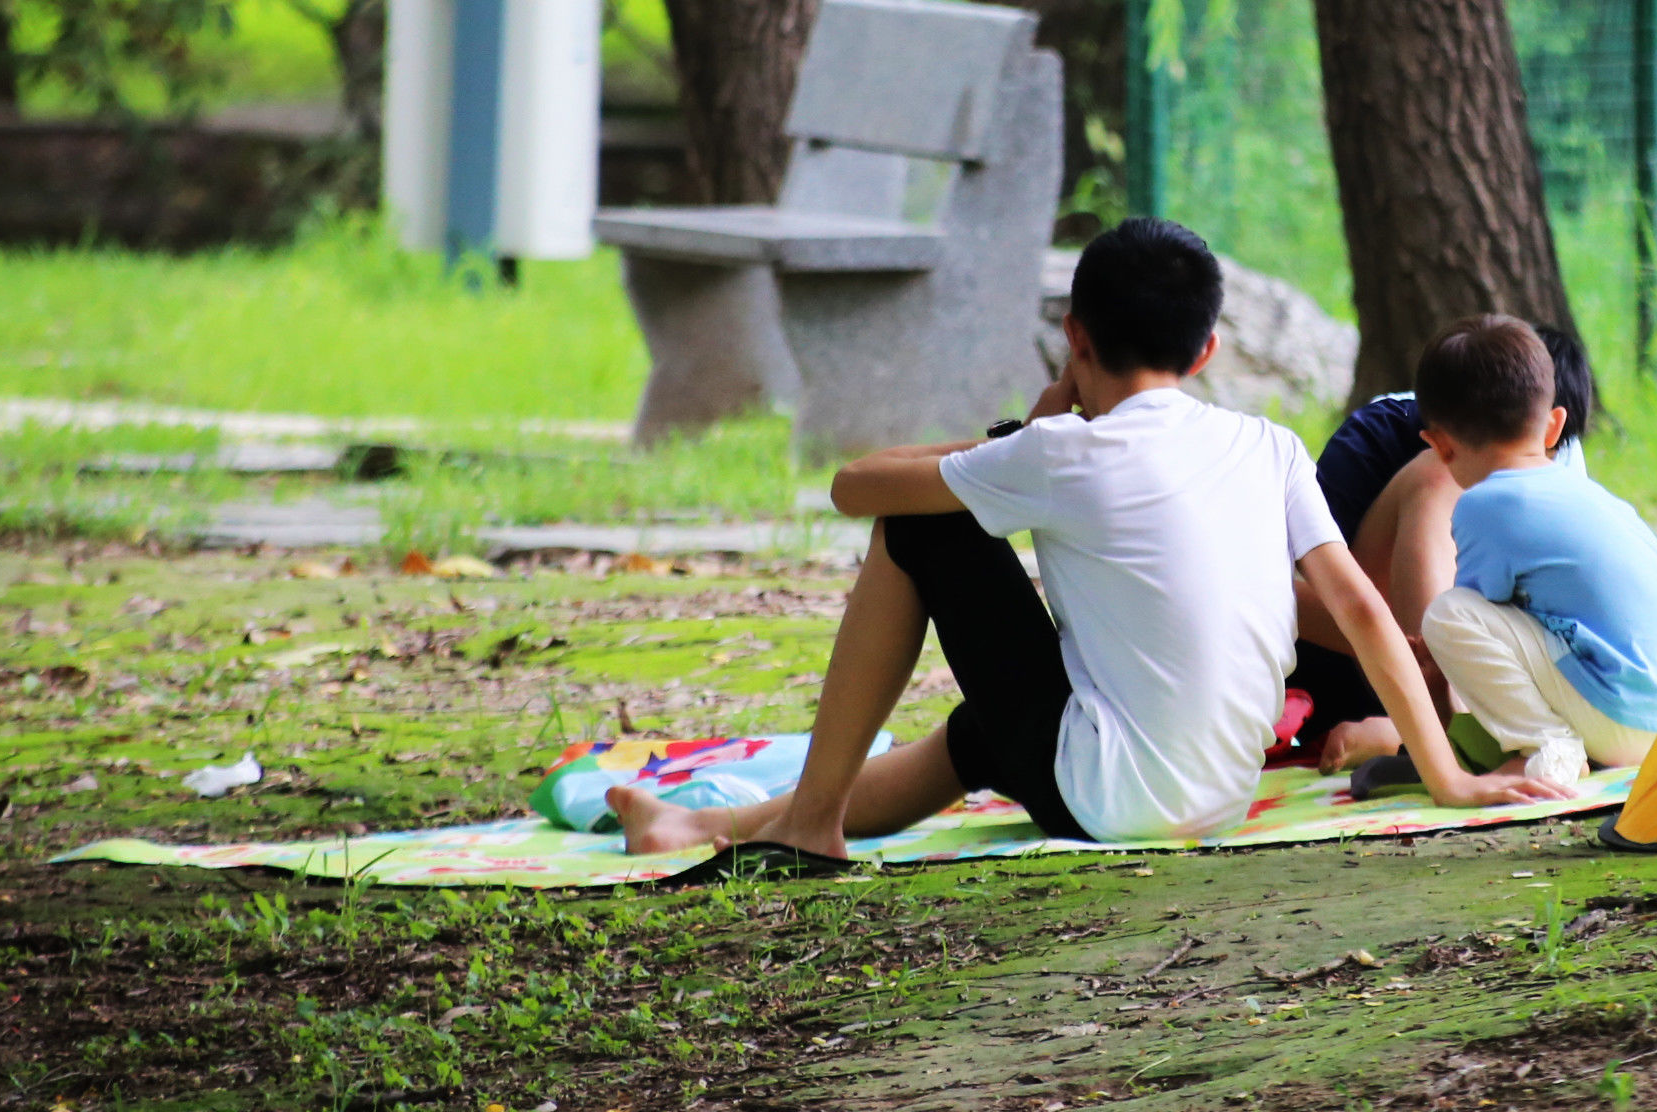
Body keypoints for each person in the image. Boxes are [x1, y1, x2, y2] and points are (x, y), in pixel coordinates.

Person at [607, 219, 1579, 862]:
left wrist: (1021, 436)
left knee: (916, 521)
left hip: (1114, 798)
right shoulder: (1266, 440)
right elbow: (1366, 612)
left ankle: (811, 819)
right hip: (1221, 791)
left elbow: (852, 483)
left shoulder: (1062, 450)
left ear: (1075, 337)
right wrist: (1448, 774)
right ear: (1206, 352)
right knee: (981, 737)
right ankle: (702, 823)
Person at [1358, 315, 1657, 798]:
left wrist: (1432, 668)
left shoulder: (1483, 503)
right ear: (1555, 425)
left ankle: (1546, 751)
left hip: (1621, 718)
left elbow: (1473, 623)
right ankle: (1553, 742)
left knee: (1447, 616)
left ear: (1438, 446)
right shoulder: (1592, 496)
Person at [1286, 323, 1594, 767]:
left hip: (1488, 683)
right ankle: (1433, 729)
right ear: (1442, 435)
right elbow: (1288, 600)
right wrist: (1399, 648)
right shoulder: (1382, 439)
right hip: (1366, 669)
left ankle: (1429, 732)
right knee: (1434, 480)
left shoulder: (1561, 465)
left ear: (1553, 429)